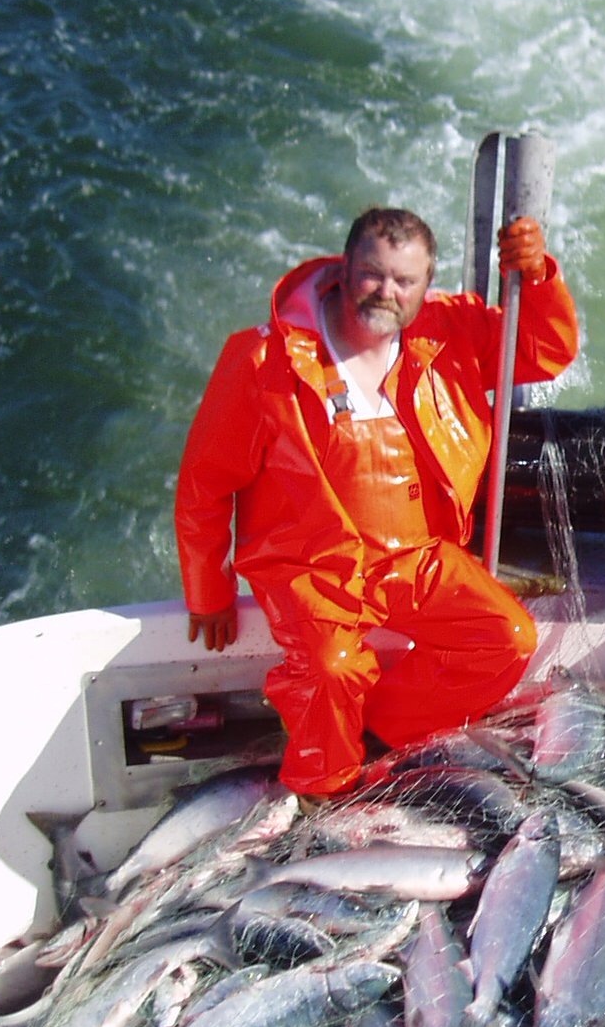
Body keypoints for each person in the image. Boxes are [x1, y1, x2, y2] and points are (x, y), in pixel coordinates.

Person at [175, 206, 579, 803]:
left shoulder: (451, 329)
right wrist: (208, 590)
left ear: (425, 285)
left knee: (506, 639)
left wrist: (538, 277)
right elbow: (205, 483)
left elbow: (545, 351)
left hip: (415, 554)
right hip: (308, 564)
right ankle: (323, 792)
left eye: (404, 280)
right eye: (372, 274)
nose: (386, 292)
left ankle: (381, 734)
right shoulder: (263, 360)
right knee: (331, 667)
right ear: (344, 269)